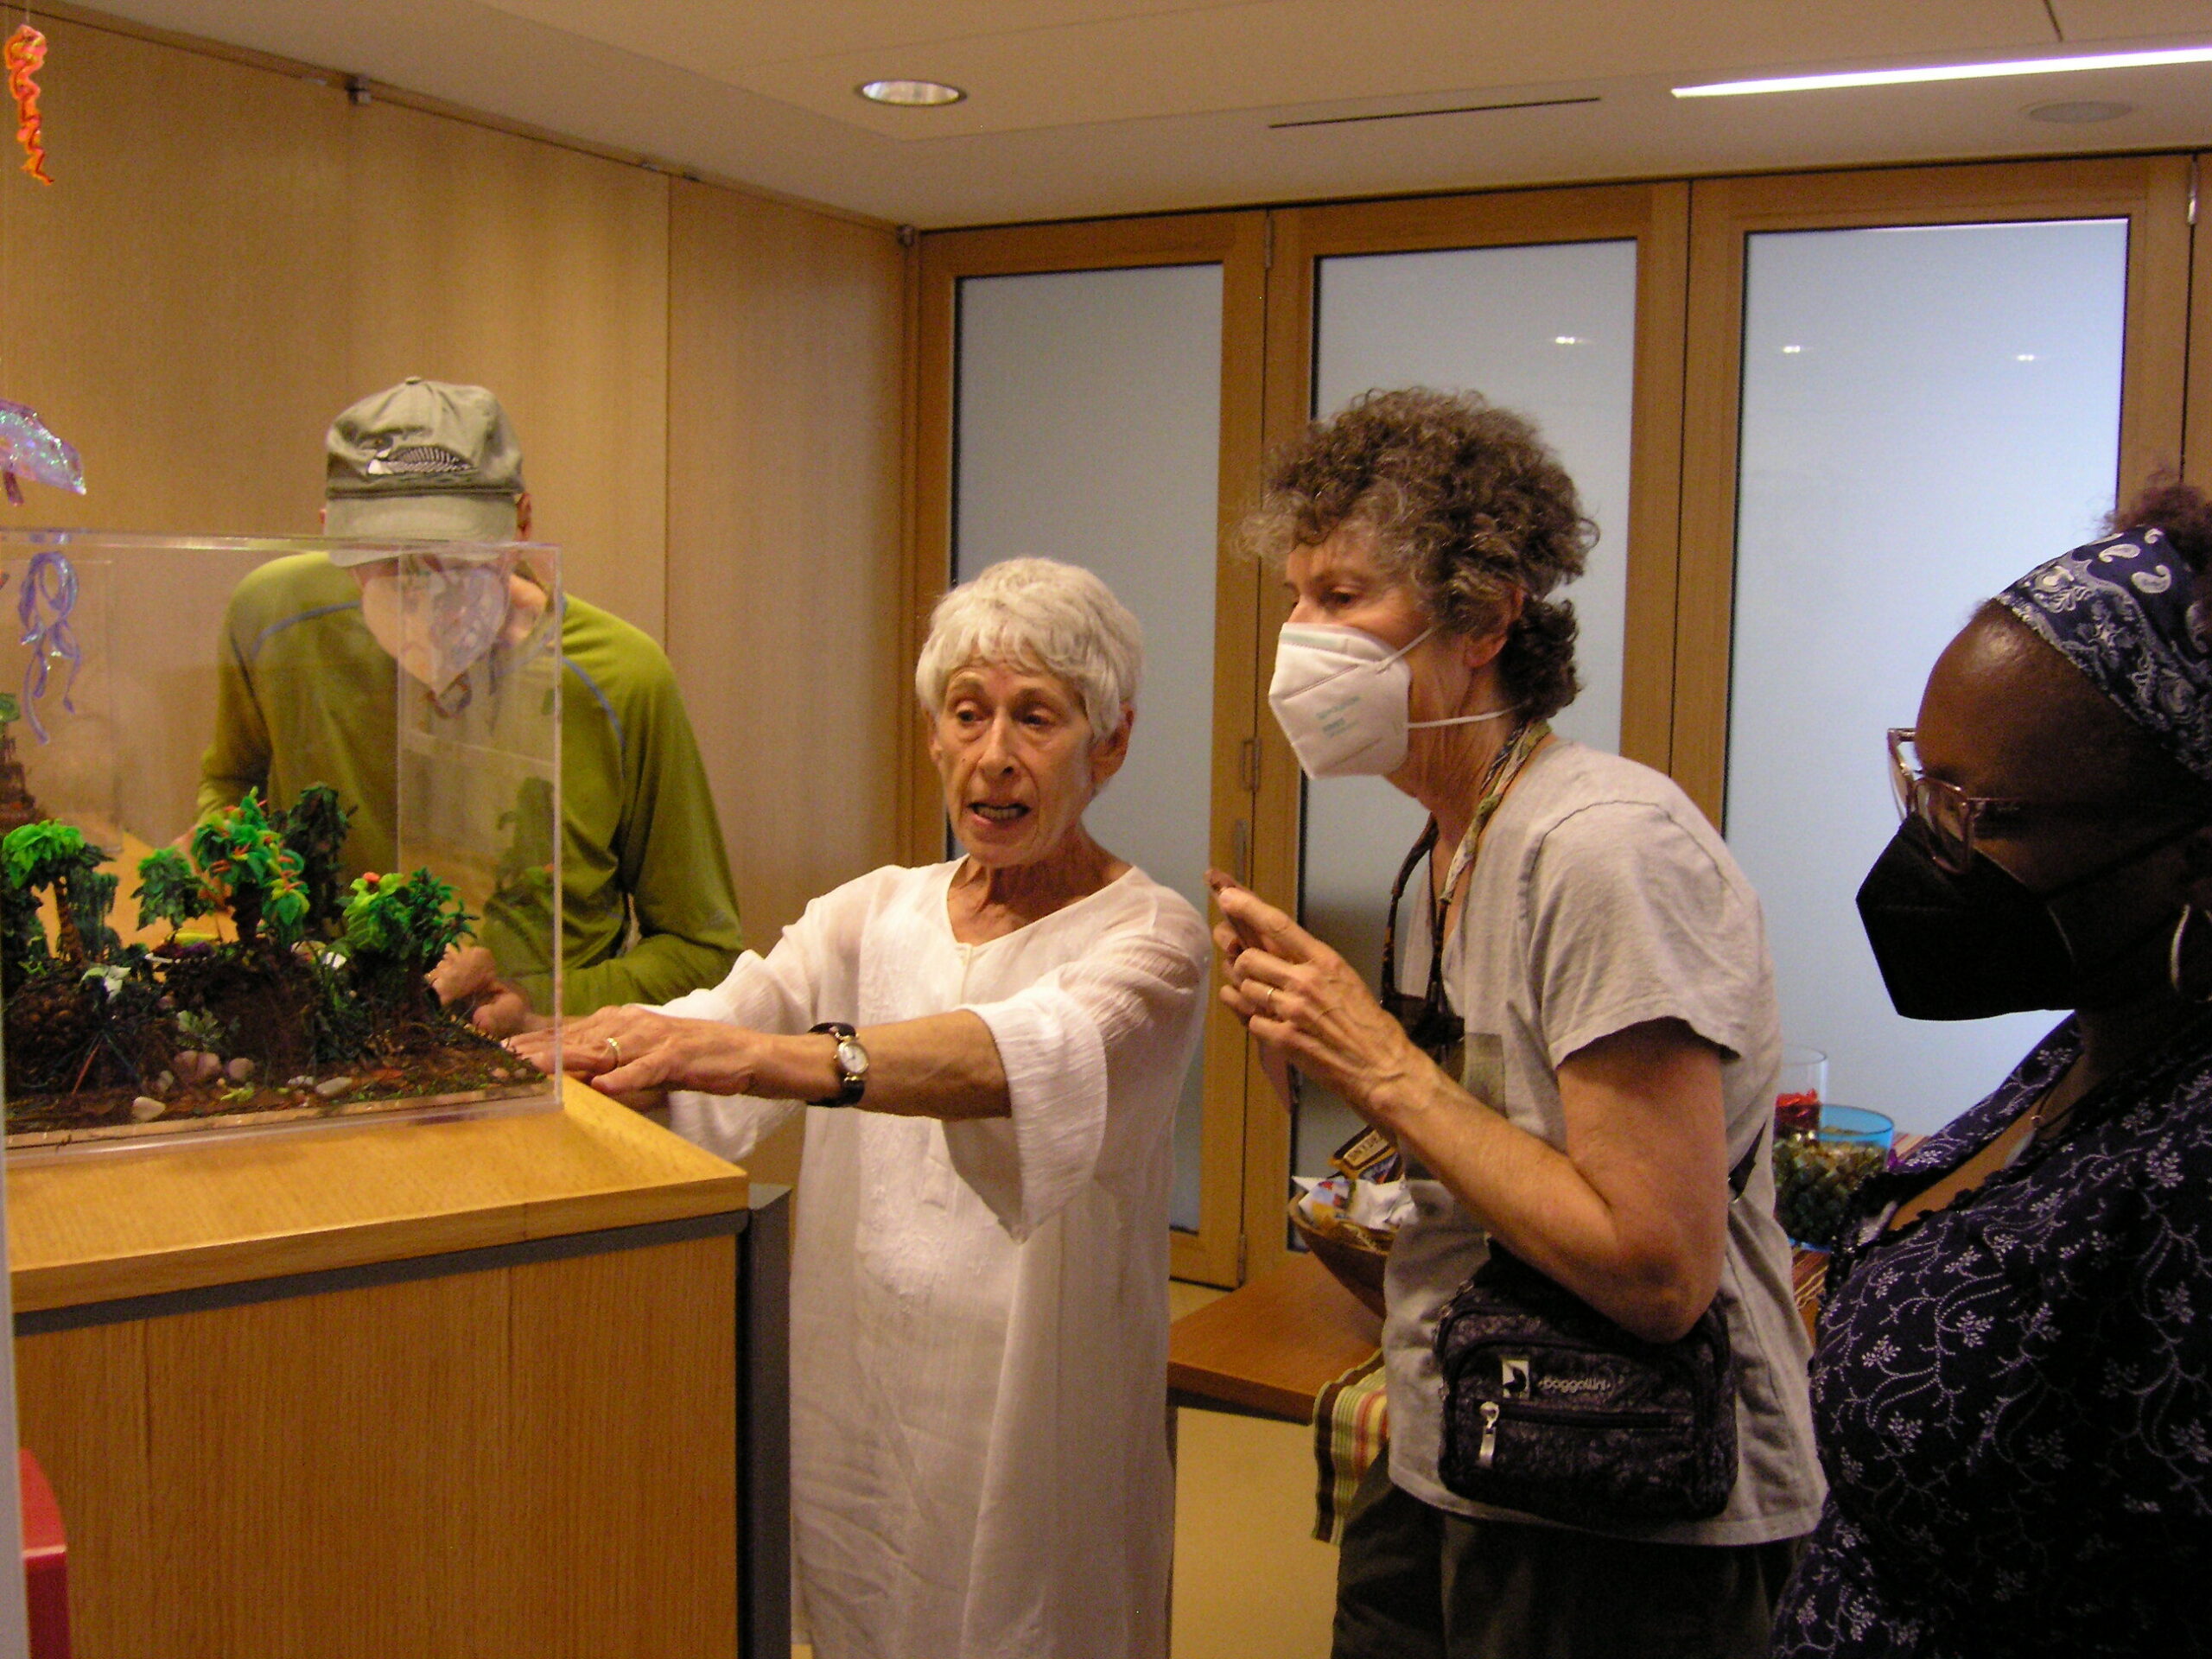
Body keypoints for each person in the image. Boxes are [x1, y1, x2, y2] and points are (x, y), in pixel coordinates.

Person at [1211, 389, 1823, 1657]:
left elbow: (1657, 1271)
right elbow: (1494, 1154)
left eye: (1341, 598)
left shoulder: (1601, 849)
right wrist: (1319, 1052)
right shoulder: (1450, 846)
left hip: (1633, 1501)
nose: (1298, 636)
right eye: (1295, 596)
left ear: (1485, 617)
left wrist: (1381, 1064)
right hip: (1460, 1435)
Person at [510, 556, 1208, 1659]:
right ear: (933, 735)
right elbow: (712, 1027)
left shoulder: (1151, 938)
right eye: (967, 714)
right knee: (854, 1603)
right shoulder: (869, 913)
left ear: (1109, 742)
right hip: (859, 1377)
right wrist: (529, 1050)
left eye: (1038, 718)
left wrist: (770, 1057)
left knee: (1032, 1617)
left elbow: (1024, 1058)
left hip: (1035, 1401)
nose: (994, 757)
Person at [1771, 487, 2212, 1656]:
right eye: (1925, 783)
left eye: (1981, 813)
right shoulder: (2095, 1039)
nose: (1932, 847)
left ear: (2192, 852)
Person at [200, 377, 743, 1029]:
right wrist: (226, 856)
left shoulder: (619, 676)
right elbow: (231, 781)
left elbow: (704, 952)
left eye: (459, 559)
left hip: (543, 1066)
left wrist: (541, 1001)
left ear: (521, 525)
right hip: (324, 1033)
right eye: (389, 561)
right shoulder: (275, 616)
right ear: (332, 537)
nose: (429, 592)